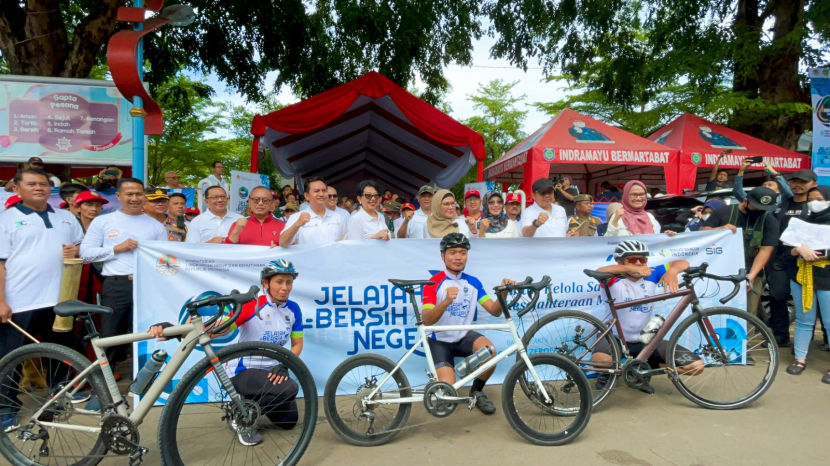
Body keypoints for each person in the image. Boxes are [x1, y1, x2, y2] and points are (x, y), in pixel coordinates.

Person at [149, 259, 304, 445]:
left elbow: (297, 344)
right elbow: (219, 329)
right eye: (279, 282)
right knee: (289, 389)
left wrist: (285, 363)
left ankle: (250, 406)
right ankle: (240, 415)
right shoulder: (253, 305)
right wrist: (177, 330)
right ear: (266, 283)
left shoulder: (294, 309)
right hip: (244, 370)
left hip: (271, 371)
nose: (285, 287)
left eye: (289, 282)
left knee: (289, 421)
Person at [0, 169, 86, 432]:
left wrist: (78, 249)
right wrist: (1, 300)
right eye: (31, 184)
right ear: (17, 188)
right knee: (10, 358)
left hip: (60, 301)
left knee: (60, 355)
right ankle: (6, 408)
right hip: (20, 301)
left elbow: (84, 247)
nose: (39, 188)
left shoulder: (66, 217)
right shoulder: (6, 219)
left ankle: (58, 399)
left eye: (43, 184)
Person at [422, 233, 518, 414]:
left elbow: (495, 310)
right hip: (439, 340)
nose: (458, 257)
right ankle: (443, 380)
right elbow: (426, 319)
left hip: (464, 335)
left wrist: (503, 293)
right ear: (443, 255)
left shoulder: (473, 282)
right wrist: (445, 303)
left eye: (462, 253)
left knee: (491, 353)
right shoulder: (433, 283)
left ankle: (477, 392)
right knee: (448, 393)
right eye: (452, 253)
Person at [592, 240, 700, 394]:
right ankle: (606, 374)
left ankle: (643, 371)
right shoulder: (612, 278)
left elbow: (683, 262)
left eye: (642, 260)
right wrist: (628, 268)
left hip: (645, 340)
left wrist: (672, 271)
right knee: (602, 361)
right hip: (614, 337)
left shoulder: (653, 273)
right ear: (619, 261)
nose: (638, 263)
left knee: (696, 367)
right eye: (631, 260)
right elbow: (599, 270)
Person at [80, 178, 167, 366]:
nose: (134, 198)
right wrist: (116, 249)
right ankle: (104, 386)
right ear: (119, 196)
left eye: (138, 194)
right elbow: (85, 254)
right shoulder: (103, 221)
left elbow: (163, 260)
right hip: (116, 285)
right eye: (129, 194)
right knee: (110, 337)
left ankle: (144, 387)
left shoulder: (156, 226)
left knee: (148, 336)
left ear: (144, 196)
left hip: (147, 286)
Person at [760, 169, 820, 346]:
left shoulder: (816, 208)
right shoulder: (780, 206)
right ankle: (780, 335)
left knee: (807, 302)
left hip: (808, 262)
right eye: (794, 181)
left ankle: (808, 341)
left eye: (803, 182)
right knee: (777, 297)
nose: (798, 185)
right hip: (780, 261)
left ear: (813, 184)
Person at [701, 187, 780, 317]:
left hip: (751, 268)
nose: (759, 211)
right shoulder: (724, 212)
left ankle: (746, 336)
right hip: (719, 269)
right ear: (745, 201)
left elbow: (766, 250)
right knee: (716, 308)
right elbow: (702, 231)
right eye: (756, 207)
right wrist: (720, 229)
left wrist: (752, 275)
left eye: (763, 208)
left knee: (748, 312)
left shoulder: (769, 220)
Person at [784, 186, 830, 381]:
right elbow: (787, 249)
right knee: (804, 319)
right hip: (802, 274)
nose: (814, 203)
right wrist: (798, 251)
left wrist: (822, 253)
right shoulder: (801, 221)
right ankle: (800, 358)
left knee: (829, 322)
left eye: (819, 199)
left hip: (827, 276)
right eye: (811, 199)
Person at [280, 177, 346, 246]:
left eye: (324, 191)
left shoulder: (338, 217)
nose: (321, 194)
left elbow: (346, 243)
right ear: (306, 196)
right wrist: (297, 224)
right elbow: (283, 243)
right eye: (316, 191)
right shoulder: (296, 218)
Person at [73, 191, 107, 309]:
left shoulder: (107, 226)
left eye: (98, 206)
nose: (94, 209)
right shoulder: (70, 226)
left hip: (100, 275)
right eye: (89, 205)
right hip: (76, 275)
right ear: (78, 208)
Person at [606, 180, 677, 237]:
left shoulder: (650, 217)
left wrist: (667, 237)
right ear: (626, 196)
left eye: (642, 194)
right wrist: (615, 221)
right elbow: (607, 242)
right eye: (633, 194)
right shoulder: (618, 216)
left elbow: (656, 241)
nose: (638, 198)